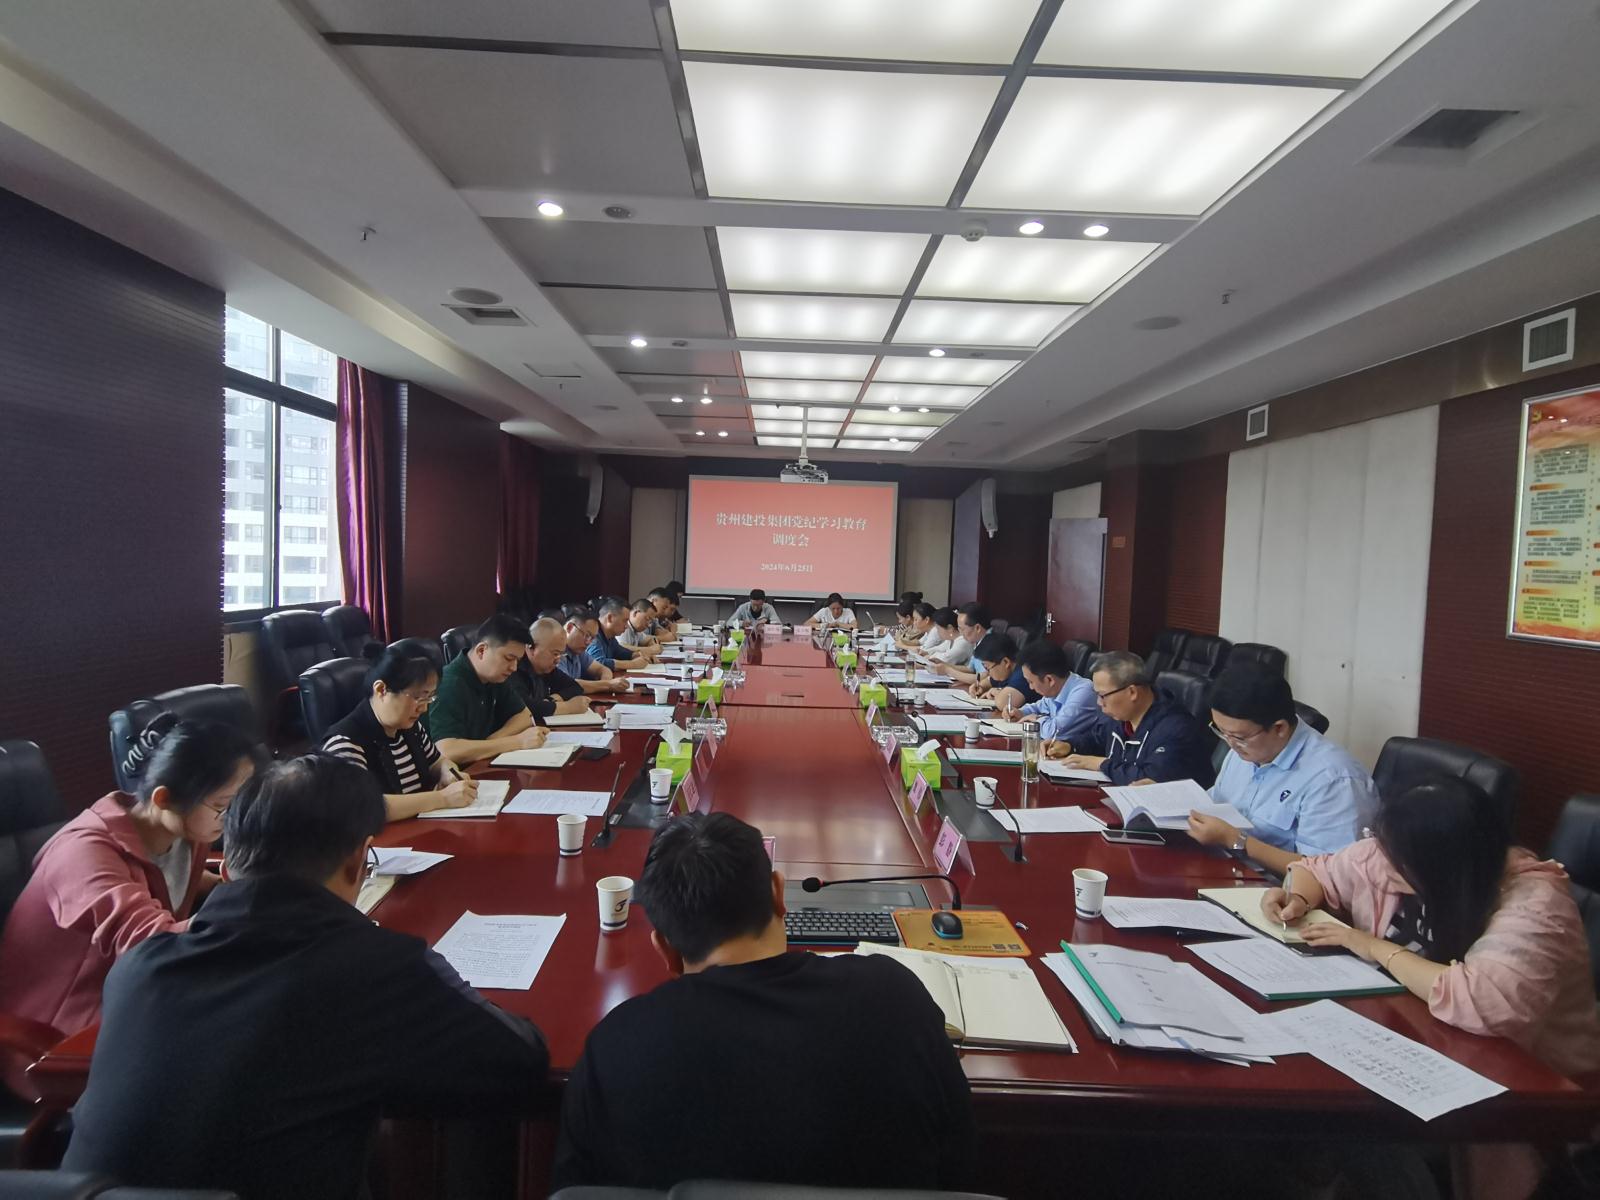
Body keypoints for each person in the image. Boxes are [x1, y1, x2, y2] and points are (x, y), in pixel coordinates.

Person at [61, 755, 549, 1200]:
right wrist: (418, 964)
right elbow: (521, 1058)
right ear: (358, 860)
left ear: (226, 868)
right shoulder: (375, 968)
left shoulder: (140, 966)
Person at [553, 813, 974, 1192]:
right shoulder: (894, 999)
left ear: (665, 948)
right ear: (778, 893)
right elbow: (961, 1167)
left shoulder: (615, 1045)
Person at [1264, 779, 1600, 1200]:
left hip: (1525, 1091)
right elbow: (1320, 870)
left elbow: (1483, 1002)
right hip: (1410, 1039)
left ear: (1445, 864)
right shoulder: (1396, 854)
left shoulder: (1536, 904)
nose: (1380, 861)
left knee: (1363, 1142)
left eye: (1397, 859)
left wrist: (1373, 947)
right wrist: (1298, 897)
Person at [0, 719, 259, 1052]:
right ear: (163, 798)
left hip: (136, 989)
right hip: (61, 1031)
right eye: (223, 806)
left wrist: (246, 887)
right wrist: (253, 911)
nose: (232, 818)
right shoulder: (83, 855)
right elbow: (153, 944)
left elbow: (170, 882)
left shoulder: (184, 830)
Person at [1185, 667, 1378, 875]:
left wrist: (1235, 840)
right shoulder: (1245, 749)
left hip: (1280, 888)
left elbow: (1328, 873)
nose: (1230, 744)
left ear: (1280, 728)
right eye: (1222, 732)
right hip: (1226, 868)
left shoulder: (1334, 780)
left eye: (1238, 737)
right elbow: (1216, 802)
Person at [320, 648, 480, 822]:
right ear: (381, 689)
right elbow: (364, 808)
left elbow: (437, 761)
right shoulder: (345, 742)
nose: (424, 708)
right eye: (418, 698)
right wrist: (443, 798)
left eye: (430, 697)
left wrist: (448, 772)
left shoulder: (410, 726)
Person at [1055, 651, 1216, 786]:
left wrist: (1102, 764)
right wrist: (1069, 745)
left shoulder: (1176, 728)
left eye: (1102, 695)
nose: (1099, 702)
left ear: (1132, 692)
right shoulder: (1122, 717)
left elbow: (1147, 780)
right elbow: (1096, 739)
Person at [425, 614, 549, 765]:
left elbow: (524, 716)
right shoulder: (449, 684)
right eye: (509, 658)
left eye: (517, 660)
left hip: (479, 765)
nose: (514, 668)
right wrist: (517, 742)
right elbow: (447, 750)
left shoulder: (494, 677)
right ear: (481, 650)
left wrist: (490, 743)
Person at [998, 640, 1100, 754]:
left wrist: (1037, 719)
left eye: (1031, 682)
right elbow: (1038, 707)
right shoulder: (1056, 688)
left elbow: (1052, 732)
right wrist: (1019, 713)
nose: (1030, 687)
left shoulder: (1084, 692)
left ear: (1049, 680)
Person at [512, 617, 593, 719]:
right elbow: (524, 707)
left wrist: (552, 699)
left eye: (561, 654)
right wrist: (568, 707)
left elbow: (575, 688)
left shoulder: (548, 669)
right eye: (555, 654)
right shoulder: (513, 668)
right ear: (531, 647)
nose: (557, 661)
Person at [560, 607, 629, 696]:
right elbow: (567, 685)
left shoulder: (578, 651)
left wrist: (605, 683)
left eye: (592, 638)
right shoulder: (556, 652)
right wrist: (608, 685)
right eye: (587, 635)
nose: (588, 642)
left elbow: (603, 669)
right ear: (570, 628)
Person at [968, 631, 1037, 703]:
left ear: (1006, 662)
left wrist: (998, 693)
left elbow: (1003, 702)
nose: (988, 673)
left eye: (987, 667)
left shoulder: (1022, 673)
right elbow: (989, 681)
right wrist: (980, 687)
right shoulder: (1006, 672)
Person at [591, 599, 655, 670]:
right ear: (610, 618)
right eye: (625, 621)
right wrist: (633, 664)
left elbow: (620, 652)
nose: (627, 626)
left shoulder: (610, 637)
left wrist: (638, 655)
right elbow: (597, 663)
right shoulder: (592, 634)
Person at [928, 602, 988, 678]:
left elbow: (983, 678)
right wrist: (944, 664)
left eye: (962, 629)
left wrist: (948, 670)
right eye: (959, 628)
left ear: (977, 628)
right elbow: (970, 669)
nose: (961, 633)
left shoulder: (990, 644)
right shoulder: (978, 642)